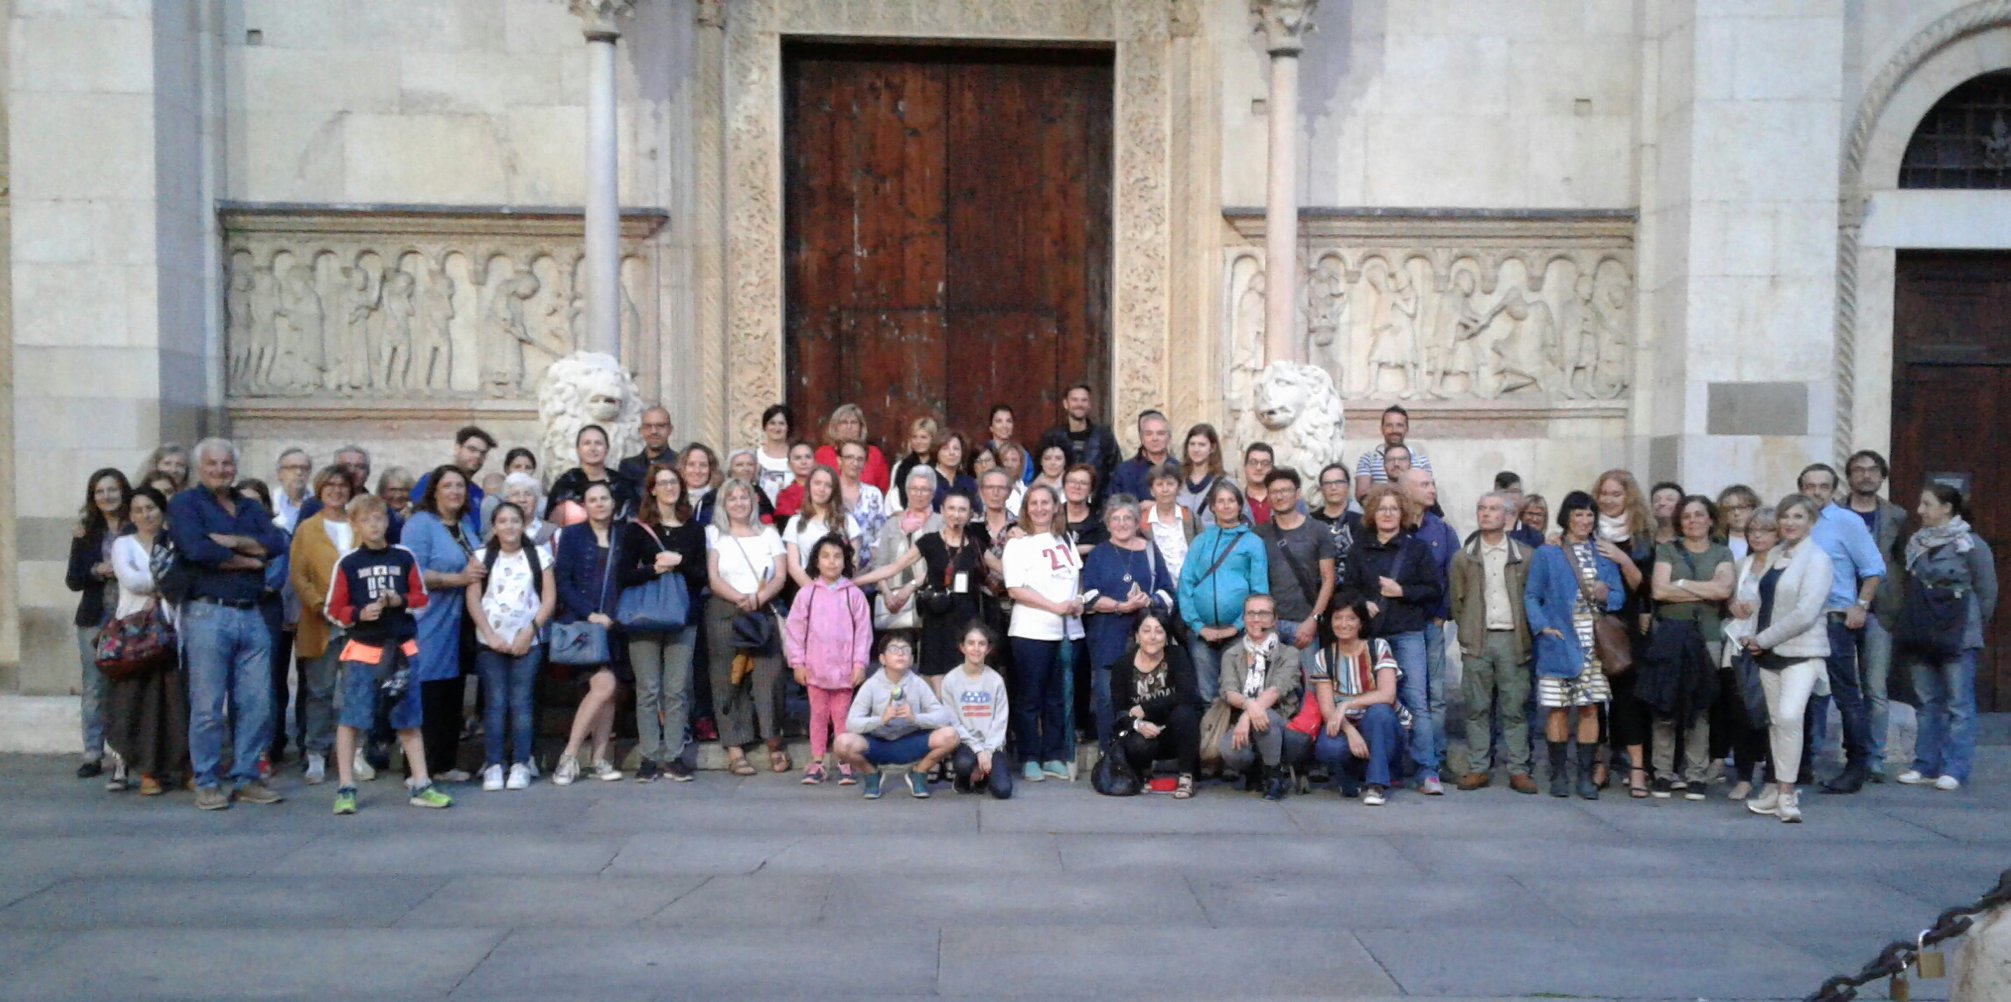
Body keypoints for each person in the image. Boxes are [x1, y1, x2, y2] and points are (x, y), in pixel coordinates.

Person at [170, 438, 289, 811]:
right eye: (212, 463)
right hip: (208, 613)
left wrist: (233, 541)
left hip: (252, 613)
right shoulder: (185, 504)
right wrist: (250, 560)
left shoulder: (250, 506)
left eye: (226, 464)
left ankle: (247, 776)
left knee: (256, 703)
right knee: (207, 705)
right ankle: (206, 780)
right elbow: (196, 550)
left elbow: (276, 543)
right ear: (199, 467)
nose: (220, 470)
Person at [324, 493, 453, 814]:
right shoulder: (348, 563)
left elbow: (421, 597)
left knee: (408, 718)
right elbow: (333, 608)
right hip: (362, 651)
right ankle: (345, 787)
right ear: (355, 524)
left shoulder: (403, 556)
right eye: (366, 520)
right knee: (351, 719)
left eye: (379, 518)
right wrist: (358, 614)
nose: (374, 525)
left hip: (401, 649)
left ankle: (421, 783)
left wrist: (399, 600)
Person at [1739, 495, 1836, 824]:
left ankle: (1787, 793)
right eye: (1785, 517)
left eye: (1798, 516)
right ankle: (1775, 789)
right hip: (1768, 653)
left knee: (1790, 716)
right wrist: (1751, 635)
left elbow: (1805, 614)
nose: (1790, 523)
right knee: (1776, 722)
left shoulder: (1818, 559)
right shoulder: (1774, 555)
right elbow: (1760, 601)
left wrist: (1763, 638)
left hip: (1803, 652)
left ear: (1811, 521)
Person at [1896, 483, 1998, 792]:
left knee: (1958, 704)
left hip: (1958, 633)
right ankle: (1925, 764)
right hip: (1921, 629)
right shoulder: (1917, 543)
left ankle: (1955, 768)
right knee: (1926, 702)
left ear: (1947, 508)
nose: (1920, 510)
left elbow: (1986, 591)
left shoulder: (1971, 545)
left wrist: (1972, 624)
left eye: (1927, 504)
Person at [1344, 483, 1443, 794]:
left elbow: (1434, 590)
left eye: (1393, 509)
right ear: (1372, 514)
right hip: (1373, 638)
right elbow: (1348, 589)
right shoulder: (1359, 549)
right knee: (1377, 703)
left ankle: (1427, 771)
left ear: (1403, 514)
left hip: (1407, 633)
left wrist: (1402, 591)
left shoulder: (1417, 549)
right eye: (1382, 509)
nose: (1387, 514)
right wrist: (1363, 603)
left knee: (1416, 701)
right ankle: (1386, 768)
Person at [1525, 490, 1624, 799]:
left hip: (1594, 643)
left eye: (1590, 514)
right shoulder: (1549, 552)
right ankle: (1558, 775)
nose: (1585, 520)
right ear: (1567, 517)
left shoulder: (1602, 552)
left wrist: (1607, 595)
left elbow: (1619, 596)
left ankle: (1584, 776)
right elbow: (1531, 595)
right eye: (1578, 514)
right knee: (1557, 709)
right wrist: (1543, 627)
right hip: (1560, 639)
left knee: (1589, 707)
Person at [1796, 462, 1884, 794]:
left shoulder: (1847, 522)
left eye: (1823, 486)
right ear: (1801, 489)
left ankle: (1856, 766)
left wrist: (1861, 605)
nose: (1816, 492)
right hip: (1798, 620)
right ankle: (1800, 764)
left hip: (1834, 619)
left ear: (1833, 490)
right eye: (1810, 486)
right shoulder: (1794, 520)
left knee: (1846, 695)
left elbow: (1873, 568)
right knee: (1800, 694)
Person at [617, 464, 707, 784]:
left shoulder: (694, 529)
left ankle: (673, 755)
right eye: (663, 483)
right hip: (645, 616)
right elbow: (623, 575)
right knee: (648, 689)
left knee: (677, 689)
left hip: (683, 616)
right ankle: (649, 756)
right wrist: (653, 570)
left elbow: (702, 576)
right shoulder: (637, 530)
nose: (670, 487)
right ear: (652, 489)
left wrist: (679, 562)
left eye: (674, 482)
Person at [855, 489, 991, 685]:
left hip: (966, 619)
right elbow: (894, 567)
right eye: (951, 508)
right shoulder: (929, 541)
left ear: (970, 514)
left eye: (962, 510)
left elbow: (1001, 568)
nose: (956, 514)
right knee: (935, 675)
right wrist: (855, 582)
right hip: (936, 615)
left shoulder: (975, 544)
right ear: (942, 511)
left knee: (964, 676)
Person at [1648, 495, 1734, 799]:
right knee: (1665, 704)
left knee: (1700, 705)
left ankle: (1696, 772)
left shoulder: (1722, 552)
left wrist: (1681, 585)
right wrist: (1704, 591)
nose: (1693, 521)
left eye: (1699, 515)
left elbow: (1723, 590)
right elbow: (1659, 591)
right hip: (1670, 635)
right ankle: (1662, 772)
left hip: (1707, 636)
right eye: (1686, 516)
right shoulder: (1667, 550)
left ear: (1710, 519)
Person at [104, 486, 188, 797]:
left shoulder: (175, 542)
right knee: (138, 703)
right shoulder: (123, 544)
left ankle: (180, 766)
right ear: (131, 515)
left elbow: (186, 578)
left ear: (161, 510)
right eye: (138, 510)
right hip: (136, 635)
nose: (145, 515)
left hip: (172, 632)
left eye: (150, 508)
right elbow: (131, 580)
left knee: (174, 702)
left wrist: (165, 583)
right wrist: (166, 581)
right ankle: (146, 769)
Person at [1449, 492, 1536, 793]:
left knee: (1515, 707)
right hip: (1478, 639)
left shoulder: (1525, 555)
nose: (1486, 514)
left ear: (1507, 516)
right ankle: (1478, 767)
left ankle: (1518, 769)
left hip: (1513, 638)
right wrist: (1469, 631)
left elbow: (1532, 596)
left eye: (1493, 509)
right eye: (1481, 508)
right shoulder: (1464, 557)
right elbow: (1458, 601)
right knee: (1476, 707)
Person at [402, 464, 483, 784]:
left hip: (459, 621)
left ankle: (445, 763)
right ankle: (418, 768)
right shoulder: (420, 524)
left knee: (452, 691)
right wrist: (457, 579)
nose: (455, 491)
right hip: (429, 619)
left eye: (460, 486)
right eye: (448, 485)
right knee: (429, 690)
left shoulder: (464, 525)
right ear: (433, 490)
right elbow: (413, 572)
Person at [467, 501, 556, 791]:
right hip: (490, 642)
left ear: (523, 524)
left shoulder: (538, 555)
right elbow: (473, 598)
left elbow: (548, 598)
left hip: (527, 642)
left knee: (522, 702)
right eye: (502, 521)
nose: (509, 526)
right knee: (495, 703)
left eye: (514, 521)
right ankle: (494, 763)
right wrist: (489, 634)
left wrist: (530, 632)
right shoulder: (482, 556)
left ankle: (521, 761)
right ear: (494, 526)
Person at [705, 478, 790, 776]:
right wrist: (738, 598)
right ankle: (735, 747)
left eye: (744, 497)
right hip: (725, 609)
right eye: (732, 498)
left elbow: (780, 575)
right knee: (727, 678)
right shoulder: (714, 533)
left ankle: (773, 740)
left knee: (770, 675)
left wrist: (758, 598)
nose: (739, 503)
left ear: (753, 501)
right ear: (723, 504)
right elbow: (713, 577)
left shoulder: (769, 533)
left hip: (762, 608)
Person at [1080, 496, 1176, 746]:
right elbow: (1089, 596)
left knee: (1144, 698)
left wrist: (1149, 601)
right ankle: (1109, 753)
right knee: (1107, 698)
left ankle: (1141, 752)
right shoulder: (1099, 554)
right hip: (1107, 637)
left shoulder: (1149, 550)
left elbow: (1167, 591)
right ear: (1107, 523)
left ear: (1136, 522)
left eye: (1127, 518)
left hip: (1146, 637)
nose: (1122, 523)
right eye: (1116, 518)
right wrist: (1120, 606)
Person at [1004, 484, 1084, 783]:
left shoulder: (1065, 539)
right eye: (1033, 503)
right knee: (1030, 698)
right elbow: (1015, 589)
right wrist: (1054, 606)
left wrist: (1078, 600)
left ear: (1055, 507)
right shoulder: (1018, 544)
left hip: (1067, 631)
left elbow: (1076, 578)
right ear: (1026, 509)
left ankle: (1052, 755)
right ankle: (1029, 757)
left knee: (1058, 697)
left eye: (1045, 502)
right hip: (1032, 631)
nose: (1040, 508)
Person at [551, 481, 629, 785]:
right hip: (584, 627)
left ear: (613, 502)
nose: (599, 504)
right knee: (603, 685)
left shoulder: (624, 534)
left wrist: (617, 615)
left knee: (609, 693)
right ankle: (569, 756)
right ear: (584, 506)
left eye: (604, 498)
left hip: (615, 626)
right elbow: (563, 582)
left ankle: (599, 759)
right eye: (593, 500)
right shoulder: (572, 535)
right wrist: (589, 613)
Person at [288, 466, 360, 785]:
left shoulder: (359, 524)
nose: (336, 490)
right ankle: (316, 752)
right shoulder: (308, 528)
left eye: (342, 484)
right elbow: (299, 575)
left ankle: (356, 752)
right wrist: (322, 605)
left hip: (359, 621)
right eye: (329, 485)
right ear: (319, 489)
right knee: (320, 691)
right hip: (320, 621)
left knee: (355, 690)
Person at [784, 536, 873, 785]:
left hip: (844, 671)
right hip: (816, 669)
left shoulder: (853, 595)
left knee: (842, 716)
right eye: (825, 556)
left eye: (837, 556)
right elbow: (795, 631)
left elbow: (863, 633)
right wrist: (798, 663)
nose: (831, 562)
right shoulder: (807, 594)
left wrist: (859, 664)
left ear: (845, 561)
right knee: (818, 716)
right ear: (816, 561)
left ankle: (845, 760)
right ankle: (817, 762)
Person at [1592, 468, 1656, 797]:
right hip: (1592, 621)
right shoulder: (1588, 529)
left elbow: (1644, 587)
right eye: (1604, 493)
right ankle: (1599, 764)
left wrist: (1622, 559)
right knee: (1595, 698)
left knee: (1628, 698)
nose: (1608, 499)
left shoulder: (1642, 535)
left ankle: (1637, 769)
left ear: (1629, 496)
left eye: (1616, 494)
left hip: (1627, 624)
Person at [1177, 481, 1268, 708]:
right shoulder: (1201, 541)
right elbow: (1186, 583)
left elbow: (1259, 592)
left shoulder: (1253, 543)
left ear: (1239, 506)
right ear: (1213, 507)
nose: (1226, 506)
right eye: (1221, 501)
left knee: (1238, 692)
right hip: (1202, 632)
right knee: (1207, 694)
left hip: (1239, 632)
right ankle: (1211, 731)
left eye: (1231, 501)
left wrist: (1236, 627)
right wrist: (1198, 626)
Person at [1844, 450, 1906, 783]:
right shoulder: (1834, 514)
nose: (1866, 475)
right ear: (1849, 476)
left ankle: (1874, 757)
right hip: (1839, 606)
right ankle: (1848, 752)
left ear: (1882, 476)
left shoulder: (1896, 516)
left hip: (1880, 611)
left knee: (1875, 689)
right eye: (1859, 470)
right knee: (1838, 686)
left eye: (1872, 470)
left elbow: (1902, 562)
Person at [1309, 597, 1407, 806]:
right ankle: (1350, 775)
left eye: (1351, 618)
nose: (1343, 624)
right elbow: (1327, 709)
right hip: (1347, 725)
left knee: (1379, 712)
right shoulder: (1323, 657)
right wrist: (1350, 731)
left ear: (1361, 623)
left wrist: (1346, 704)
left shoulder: (1378, 647)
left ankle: (1376, 785)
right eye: (1338, 618)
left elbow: (1387, 694)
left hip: (1382, 727)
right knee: (1328, 747)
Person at [836, 636, 959, 800]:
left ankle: (919, 772)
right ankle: (871, 773)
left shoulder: (918, 683)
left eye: (905, 650)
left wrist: (915, 718)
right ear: (882, 659)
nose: (900, 654)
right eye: (894, 649)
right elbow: (852, 723)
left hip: (911, 742)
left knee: (951, 735)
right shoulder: (871, 685)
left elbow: (943, 717)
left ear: (911, 660)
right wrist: (881, 720)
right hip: (878, 743)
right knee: (842, 743)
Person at [67, 467, 130, 779]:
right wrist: (97, 571)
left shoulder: (135, 525)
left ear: (123, 491)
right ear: (93, 497)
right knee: (94, 686)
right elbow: (73, 579)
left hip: (131, 616)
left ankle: (127, 753)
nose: (107, 496)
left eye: (112, 489)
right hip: (94, 617)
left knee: (128, 687)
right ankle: (93, 752)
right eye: (100, 491)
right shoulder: (86, 532)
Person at [1213, 594, 1308, 801]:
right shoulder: (1231, 654)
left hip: (1282, 722)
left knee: (1266, 717)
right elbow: (1229, 691)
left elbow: (1276, 690)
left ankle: (1274, 775)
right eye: (1251, 614)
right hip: (1241, 724)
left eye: (1263, 614)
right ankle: (1254, 770)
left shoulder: (1289, 653)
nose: (1256, 619)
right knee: (1230, 750)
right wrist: (1248, 705)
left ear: (1274, 619)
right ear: (1244, 619)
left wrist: (1248, 715)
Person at [1399, 467, 1457, 771]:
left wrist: (1442, 614)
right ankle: (1405, 757)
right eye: (1424, 484)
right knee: (1404, 691)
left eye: (1432, 483)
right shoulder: (1394, 526)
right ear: (1406, 490)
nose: (1431, 489)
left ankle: (1437, 757)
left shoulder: (1442, 530)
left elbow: (1454, 576)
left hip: (1430, 623)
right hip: (1400, 624)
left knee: (1435, 694)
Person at [1720, 507, 1780, 800]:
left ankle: (1772, 778)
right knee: (1741, 710)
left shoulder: (1785, 564)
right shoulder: (1741, 563)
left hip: (1773, 645)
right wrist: (1732, 604)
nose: (1757, 535)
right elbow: (1729, 597)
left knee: (1774, 715)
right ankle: (1744, 777)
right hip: (1739, 644)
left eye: (1765, 530)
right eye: (1753, 530)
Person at [1110, 611, 1200, 799]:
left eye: (1159, 631)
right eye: (1146, 631)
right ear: (1137, 636)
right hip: (1143, 734)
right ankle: (1143, 773)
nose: (1152, 637)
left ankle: (1186, 776)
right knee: (1137, 742)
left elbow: (1186, 694)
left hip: (1172, 729)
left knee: (1185, 713)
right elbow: (1120, 711)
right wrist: (1138, 724)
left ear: (1166, 637)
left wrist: (1146, 708)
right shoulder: (1122, 665)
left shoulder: (1177, 656)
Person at [1255, 468, 1336, 654]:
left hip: (1305, 624)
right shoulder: (1259, 533)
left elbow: (1328, 579)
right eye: (1274, 492)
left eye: (1285, 490)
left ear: (1297, 493)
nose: (1279, 496)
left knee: (1309, 673)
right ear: (1268, 497)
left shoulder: (1318, 530)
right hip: (1269, 625)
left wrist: (1314, 620)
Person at [940, 621, 1014, 799]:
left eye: (981, 644)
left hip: (992, 744)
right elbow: (953, 722)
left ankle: (983, 777)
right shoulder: (950, 680)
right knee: (964, 763)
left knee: (1003, 791)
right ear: (962, 647)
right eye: (971, 643)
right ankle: (963, 779)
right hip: (965, 743)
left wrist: (988, 751)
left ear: (988, 649)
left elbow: (1000, 721)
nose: (976, 648)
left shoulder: (996, 680)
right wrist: (978, 751)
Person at [781, 465, 865, 589]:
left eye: (828, 485)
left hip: (840, 590)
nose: (822, 489)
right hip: (807, 590)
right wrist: (816, 593)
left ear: (834, 490)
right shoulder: (795, 522)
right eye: (817, 483)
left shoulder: (847, 521)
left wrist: (835, 590)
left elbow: (854, 561)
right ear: (809, 486)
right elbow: (794, 566)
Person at [1037, 383, 1121, 504]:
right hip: (1058, 505)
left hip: (1097, 507)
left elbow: (1116, 472)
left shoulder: (1104, 436)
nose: (1079, 404)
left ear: (1089, 404)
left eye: (1084, 400)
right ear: (1065, 404)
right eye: (1075, 400)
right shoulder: (1052, 437)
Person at [547, 424, 639, 522]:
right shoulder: (566, 483)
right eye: (587, 443)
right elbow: (552, 526)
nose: (593, 448)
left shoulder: (621, 485)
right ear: (578, 449)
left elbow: (632, 520)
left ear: (607, 449)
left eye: (598, 443)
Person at [1353, 405, 1433, 499]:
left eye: (1399, 425)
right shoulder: (1368, 459)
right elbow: (1362, 496)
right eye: (1389, 425)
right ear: (1382, 429)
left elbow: (1429, 495)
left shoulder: (1421, 460)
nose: (1394, 430)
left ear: (1406, 429)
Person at [412, 425, 496, 515]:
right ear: (457, 449)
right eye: (472, 449)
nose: (478, 456)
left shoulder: (478, 493)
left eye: (483, 453)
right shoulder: (431, 480)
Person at [814, 403, 890, 493]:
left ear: (861, 427)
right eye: (844, 422)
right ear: (835, 427)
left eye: (854, 422)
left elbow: (883, 489)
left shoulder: (874, 454)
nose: (849, 427)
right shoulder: (822, 453)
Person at [835, 439, 888, 565]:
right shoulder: (829, 492)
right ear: (839, 460)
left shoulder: (873, 494)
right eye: (849, 457)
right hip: (833, 565)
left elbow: (881, 533)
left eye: (860, 459)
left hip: (869, 568)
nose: (855, 463)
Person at [1142, 461, 1197, 580]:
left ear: (1178, 488)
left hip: (1191, 583)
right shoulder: (1142, 522)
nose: (1165, 489)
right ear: (1151, 490)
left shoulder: (1190, 517)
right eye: (1159, 484)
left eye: (1170, 484)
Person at [1309, 462, 1361, 582]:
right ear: (1321, 488)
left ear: (1348, 486)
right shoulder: (1310, 521)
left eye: (1339, 482)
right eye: (1327, 483)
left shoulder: (1360, 522)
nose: (1333, 487)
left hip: (1351, 588)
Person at [1109, 410, 1174, 502]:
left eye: (1160, 433)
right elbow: (1113, 506)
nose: (1155, 438)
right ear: (1141, 438)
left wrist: (1156, 506)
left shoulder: (1181, 470)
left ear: (1169, 437)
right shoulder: (1124, 472)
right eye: (1149, 434)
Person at [618, 405, 679, 489]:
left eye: (660, 425)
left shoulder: (681, 464)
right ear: (641, 431)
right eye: (648, 426)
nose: (654, 431)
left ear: (670, 430)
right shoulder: (628, 466)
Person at [1176, 423, 1226, 517]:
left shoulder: (1226, 483)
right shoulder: (1177, 480)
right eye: (1192, 444)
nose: (1196, 449)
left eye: (1202, 445)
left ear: (1212, 448)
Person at [500, 472, 557, 552]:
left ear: (536, 501)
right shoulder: (498, 532)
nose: (522, 499)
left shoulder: (553, 533)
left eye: (528, 494)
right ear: (506, 500)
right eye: (516, 494)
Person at [891, 416, 938, 510]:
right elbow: (894, 496)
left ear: (933, 439)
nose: (918, 441)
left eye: (923, 437)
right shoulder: (902, 466)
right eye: (914, 437)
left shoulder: (940, 465)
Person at [750, 405, 794, 502]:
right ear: (765, 426)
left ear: (788, 427)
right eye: (772, 423)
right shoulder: (755, 456)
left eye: (781, 423)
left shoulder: (797, 457)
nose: (777, 428)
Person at [982, 404, 1033, 486]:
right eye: (999, 421)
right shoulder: (982, 453)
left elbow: (1028, 483)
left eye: (1008, 421)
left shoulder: (1023, 455)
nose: (1004, 426)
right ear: (991, 427)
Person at [1060, 463, 1106, 551]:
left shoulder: (1101, 518)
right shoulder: (1052, 516)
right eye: (1072, 481)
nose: (1077, 487)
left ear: (1091, 489)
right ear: (1064, 486)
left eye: (1083, 483)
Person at [929, 431, 979, 511]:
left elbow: (977, 510)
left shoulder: (969, 482)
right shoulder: (927, 479)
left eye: (956, 449)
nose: (951, 453)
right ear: (937, 452)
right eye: (945, 448)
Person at [271, 448, 313, 532]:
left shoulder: (321, 504)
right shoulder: (269, 503)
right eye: (292, 467)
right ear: (279, 474)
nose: (299, 472)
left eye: (304, 468)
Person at [771, 442, 816, 519]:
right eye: (798, 458)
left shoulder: (825, 489)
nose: (804, 462)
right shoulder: (785, 495)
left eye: (808, 457)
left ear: (815, 462)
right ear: (789, 465)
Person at [1716, 485, 1761, 562]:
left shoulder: (1764, 540)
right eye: (1730, 509)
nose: (1736, 513)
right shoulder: (1716, 542)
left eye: (1742, 507)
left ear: (1754, 509)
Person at [679, 443, 721, 524]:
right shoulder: (674, 498)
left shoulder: (721, 498)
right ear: (682, 468)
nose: (697, 471)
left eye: (703, 465)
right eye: (691, 464)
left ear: (711, 469)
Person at [1238, 444, 1277, 525]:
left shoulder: (1287, 501)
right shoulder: (1234, 501)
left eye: (1265, 463)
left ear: (1272, 468)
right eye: (1253, 462)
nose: (1259, 468)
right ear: (1245, 467)